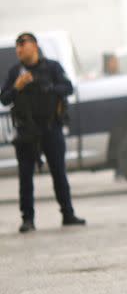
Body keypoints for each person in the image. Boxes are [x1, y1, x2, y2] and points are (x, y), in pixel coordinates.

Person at [0, 32, 86, 233]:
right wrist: (16, 87)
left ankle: (68, 214)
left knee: (59, 173)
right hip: (26, 131)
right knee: (25, 177)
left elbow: (68, 88)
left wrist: (51, 88)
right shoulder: (15, 72)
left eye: (23, 44)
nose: (19, 49)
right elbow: (4, 98)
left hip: (50, 128)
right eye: (17, 46)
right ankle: (27, 219)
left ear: (35, 46)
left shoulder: (52, 67)